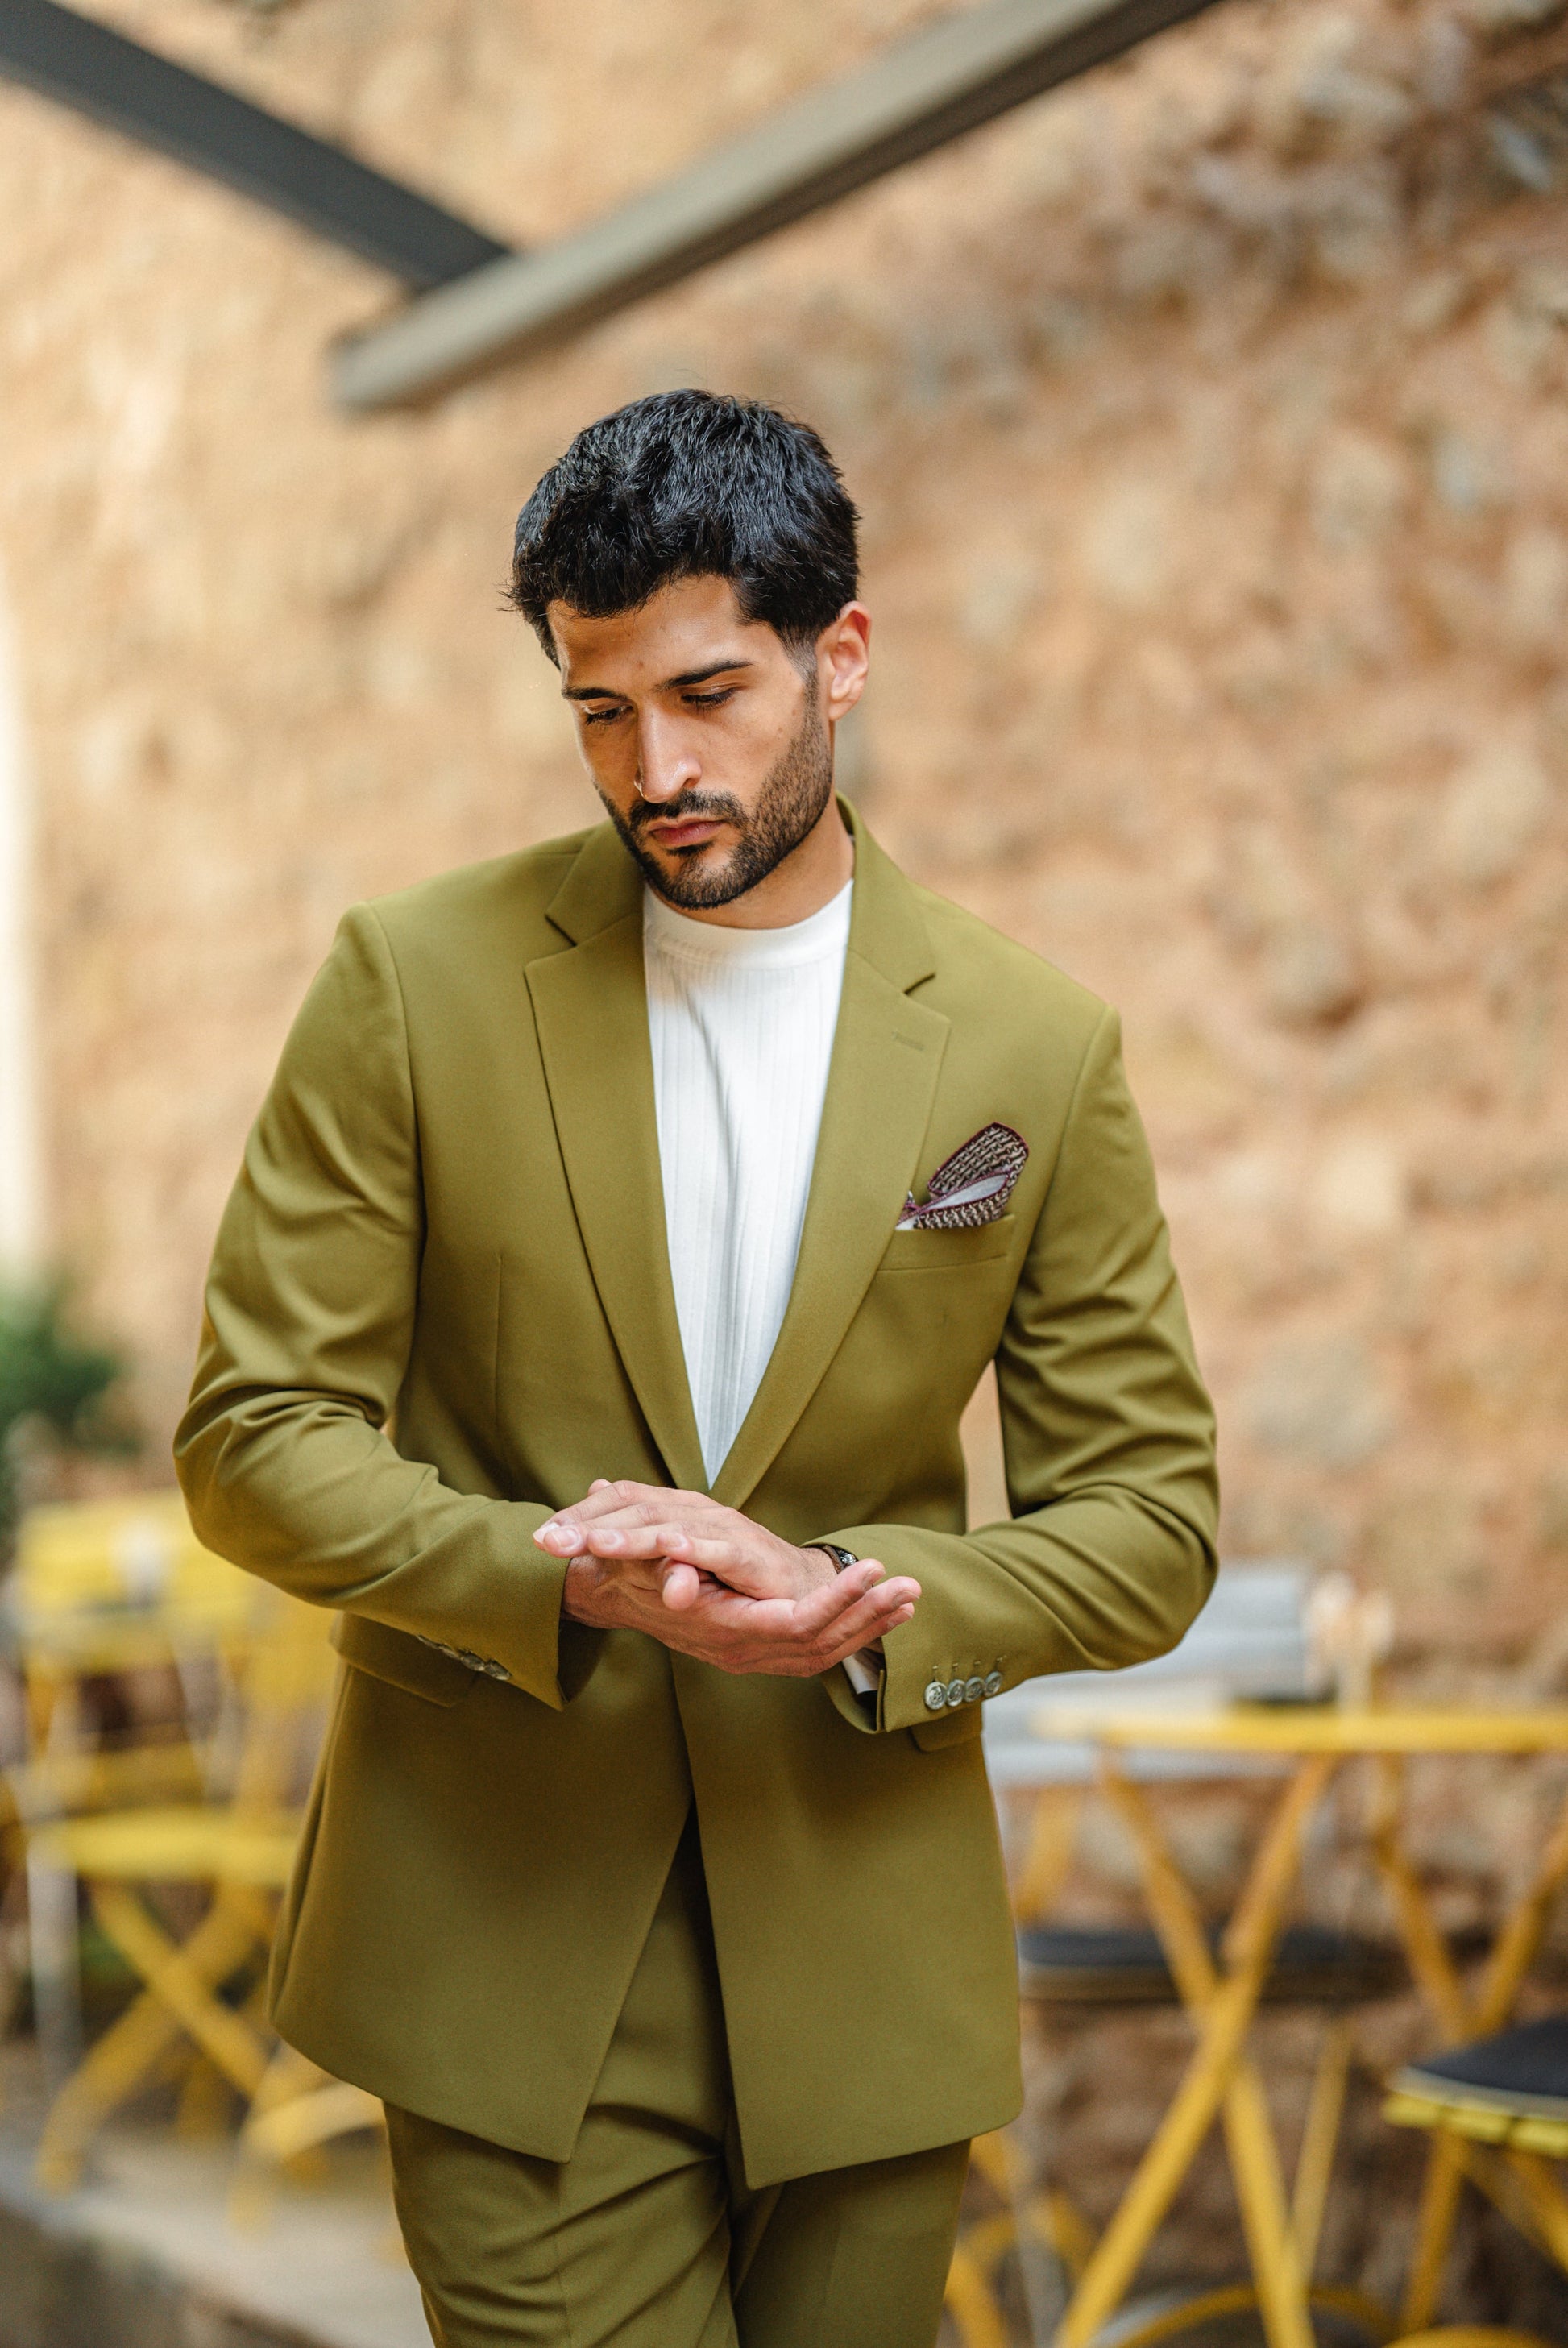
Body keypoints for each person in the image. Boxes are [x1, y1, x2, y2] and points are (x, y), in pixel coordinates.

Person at [176, 390, 1218, 2348]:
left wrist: (860, 1609)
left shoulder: (1032, 1046)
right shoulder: (407, 980)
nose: (653, 766)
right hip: (502, 1932)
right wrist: (551, 1573)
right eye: (596, 707)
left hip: (860, 1939)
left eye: (707, 692)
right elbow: (252, 1436)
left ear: (844, 652)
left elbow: (1149, 1524)